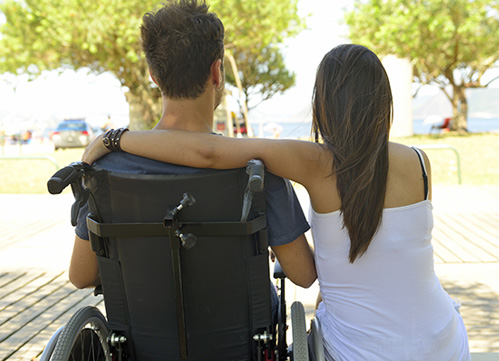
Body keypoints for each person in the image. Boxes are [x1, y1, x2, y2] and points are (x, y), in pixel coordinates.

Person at [83, 44, 471, 360]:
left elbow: (208, 152)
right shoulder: (421, 163)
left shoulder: (315, 161)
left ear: (323, 103)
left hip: (360, 351)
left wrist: (114, 140)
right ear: (383, 101)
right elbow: (390, 255)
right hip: (444, 341)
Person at [69, 0, 317, 322]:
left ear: (154, 76)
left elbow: (80, 276)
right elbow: (303, 275)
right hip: (243, 340)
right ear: (217, 73)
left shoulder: (107, 171)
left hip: (146, 339)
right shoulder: (257, 172)